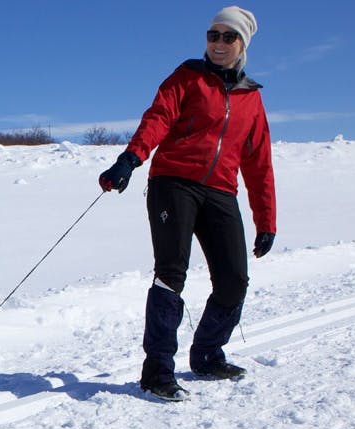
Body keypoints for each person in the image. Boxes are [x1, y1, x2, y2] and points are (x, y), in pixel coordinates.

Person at [99, 6, 276, 402]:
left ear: (242, 44)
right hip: (173, 182)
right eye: (213, 35)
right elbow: (159, 116)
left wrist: (267, 221)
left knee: (234, 280)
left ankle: (208, 353)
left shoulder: (251, 98)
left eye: (227, 37)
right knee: (170, 273)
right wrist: (131, 158)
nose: (217, 43)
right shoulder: (187, 76)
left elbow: (259, 163)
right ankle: (157, 369)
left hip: (220, 191)